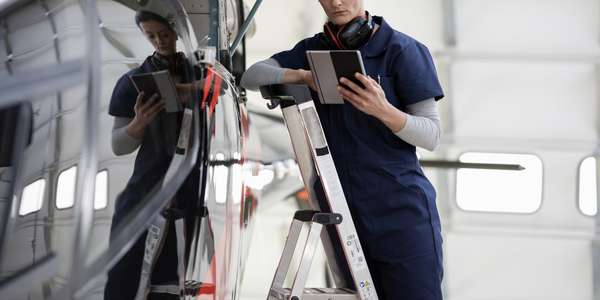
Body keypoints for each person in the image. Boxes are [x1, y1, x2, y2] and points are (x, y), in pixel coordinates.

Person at [241, 0, 444, 299]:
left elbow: (431, 135)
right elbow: (252, 76)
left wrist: (382, 109)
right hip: (341, 213)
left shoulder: (403, 50)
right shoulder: (312, 51)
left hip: (399, 214)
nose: (335, 2)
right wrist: (300, 75)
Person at [104, 10, 200, 300]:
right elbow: (118, 146)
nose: (159, 40)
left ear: (176, 30)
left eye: (164, 33)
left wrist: (180, 91)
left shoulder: (202, 73)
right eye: (151, 36)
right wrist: (138, 124)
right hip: (144, 192)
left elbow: (220, 88)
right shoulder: (132, 82)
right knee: (124, 276)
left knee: (172, 282)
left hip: (189, 194)